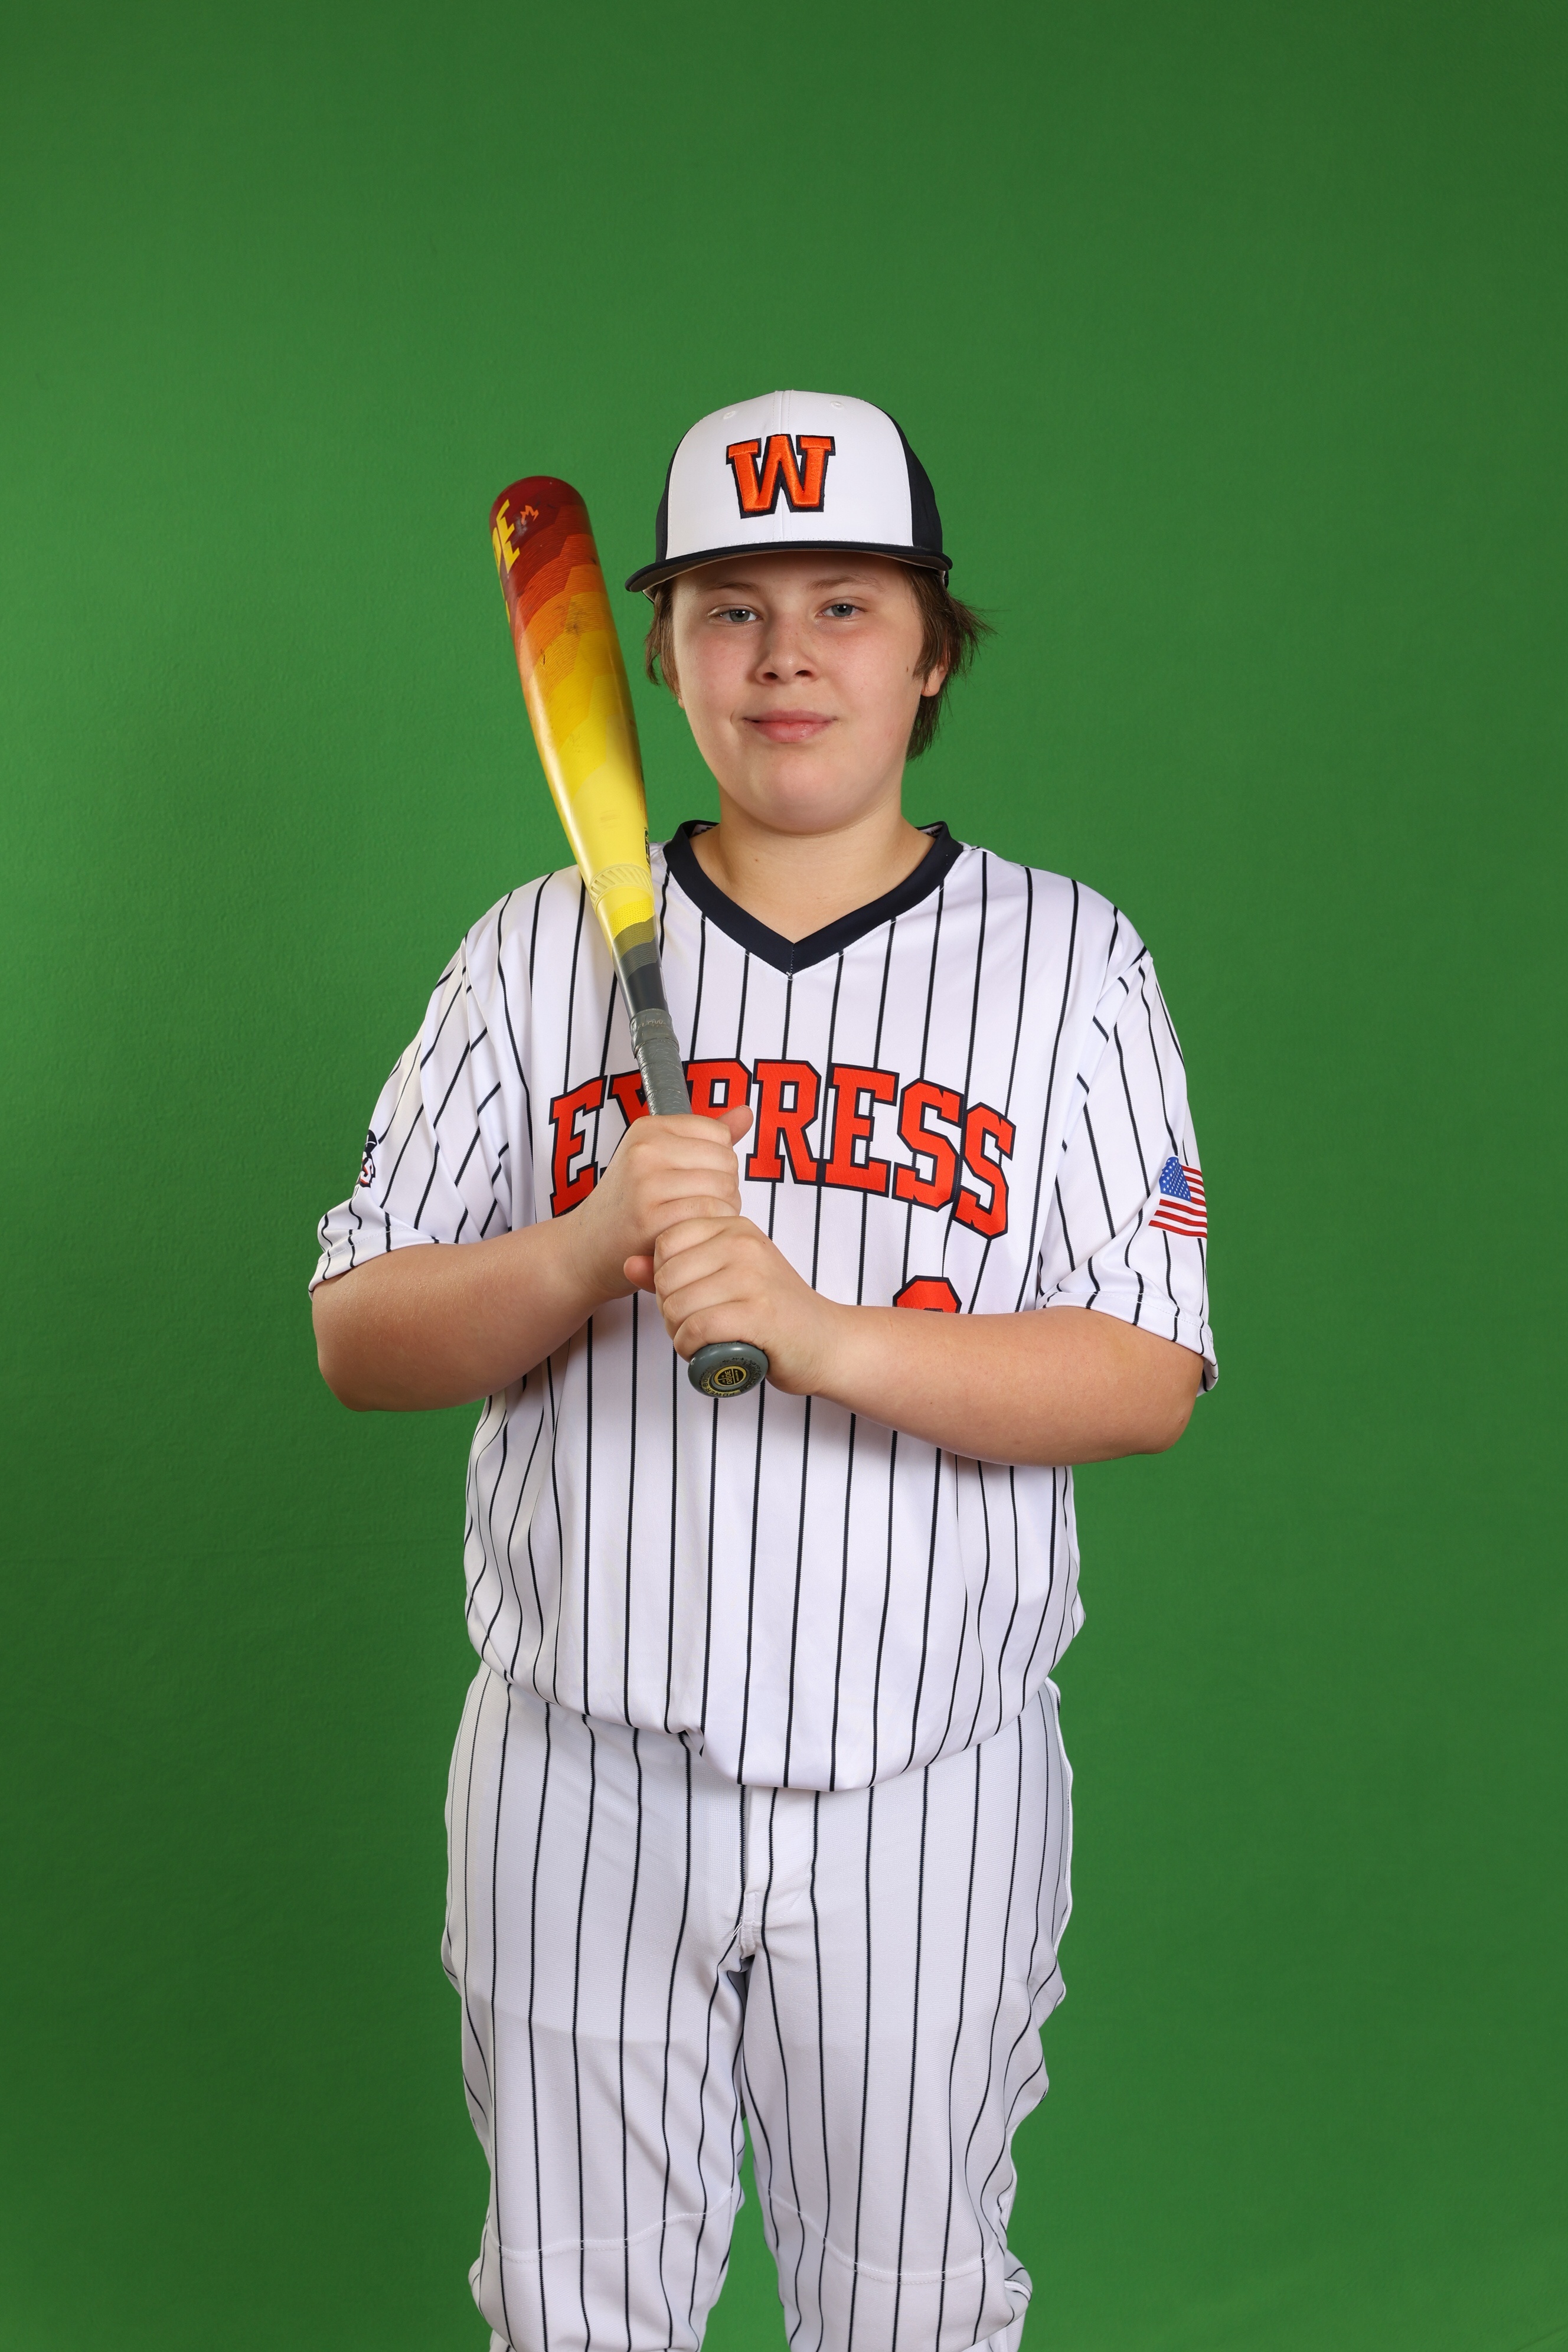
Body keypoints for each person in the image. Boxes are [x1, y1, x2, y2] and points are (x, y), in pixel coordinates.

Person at [311, 388, 1216, 2352]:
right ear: (658, 657)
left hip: (927, 1782)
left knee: (911, 2316)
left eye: (844, 604)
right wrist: (583, 1249)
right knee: (571, 2317)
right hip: (576, 1770)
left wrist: (817, 1335)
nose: (786, 654)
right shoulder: (533, 954)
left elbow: (1148, 1371)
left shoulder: (1072, 963)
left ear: (935, 651)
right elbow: (359, 1335)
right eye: (730, 607)